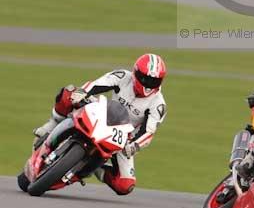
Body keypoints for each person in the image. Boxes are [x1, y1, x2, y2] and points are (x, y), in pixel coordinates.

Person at [33, 53, 168, 196]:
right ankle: (51, 125)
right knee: (69, 93)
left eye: (153, 81)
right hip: (103, 113)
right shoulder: (123, 76)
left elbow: (148, 132)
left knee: (125, 185)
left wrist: (134, 145)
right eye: (144, 78)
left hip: (122, 139)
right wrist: (83, 92)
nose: (148, 84)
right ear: (135, 73)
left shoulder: (158, 104)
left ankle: (93, 168)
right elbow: (97, 83)